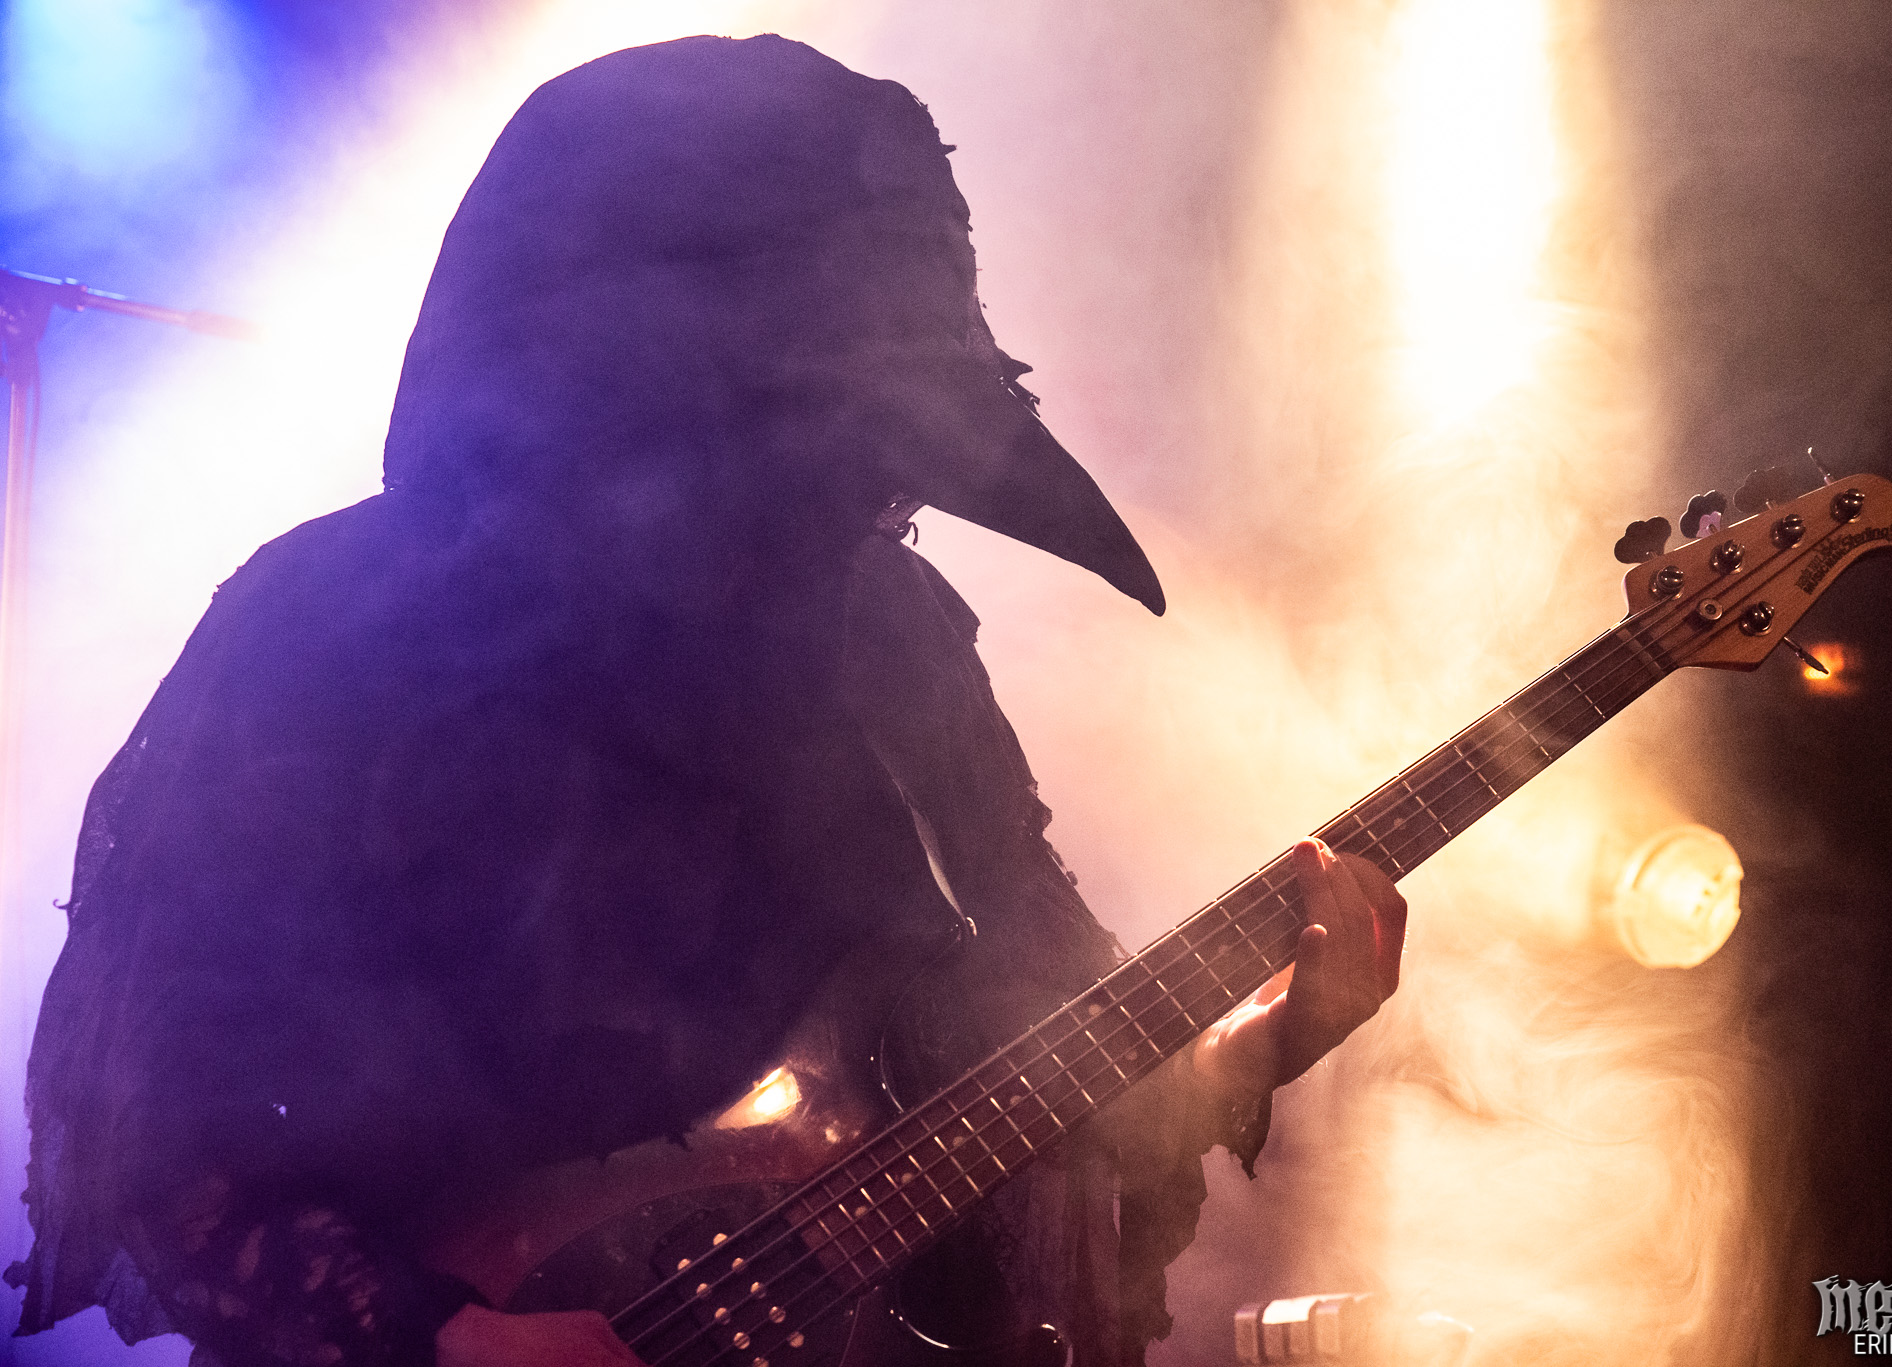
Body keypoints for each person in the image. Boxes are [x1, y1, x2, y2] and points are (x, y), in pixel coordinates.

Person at [8, 36, 1406, 1367]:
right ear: (642, 399)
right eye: (821, 439)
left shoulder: (894, 638)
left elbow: (1017, 1073)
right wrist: (437, 1336)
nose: (865, 494)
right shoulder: (331, 629)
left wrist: (1244, 1049)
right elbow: (161, 1128)